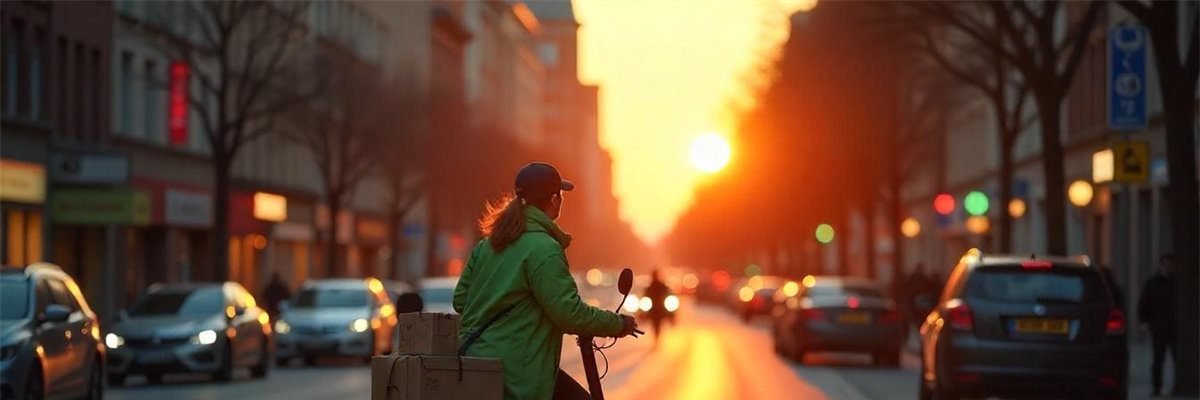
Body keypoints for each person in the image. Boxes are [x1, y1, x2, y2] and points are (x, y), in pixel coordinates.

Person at [454, 162, 638, 400]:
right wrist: (618, 324)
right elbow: (569, 313)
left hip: (475, 364)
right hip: (518, 371)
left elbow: (460, 300)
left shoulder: (485, 246)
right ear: (554, 200)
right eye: (560, 195)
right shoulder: (545, 249)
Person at [1138, 254, 1177, 397]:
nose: (1167, 268)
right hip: (1158, 326)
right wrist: (1143, 322)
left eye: (1170, 265)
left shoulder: (1177, 283)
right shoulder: (1152, 283)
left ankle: (1176, 384)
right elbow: (1144, 302)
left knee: (1177, 357)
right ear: (1160, 265)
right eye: (1165, 264)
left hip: (1174, 327)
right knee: (1158, 358)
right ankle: (1156, 387)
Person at [643, 269, 671, 345]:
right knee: (655, 323)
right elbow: (645, 295)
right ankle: (657, 336)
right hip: (654, 308)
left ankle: (657, 335)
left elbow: (668, 294)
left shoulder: (658, 286)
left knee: (658, 322)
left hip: (660, 308)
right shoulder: (652, 286)